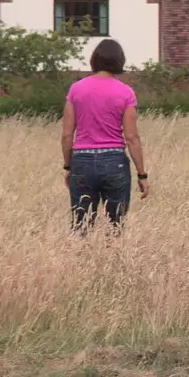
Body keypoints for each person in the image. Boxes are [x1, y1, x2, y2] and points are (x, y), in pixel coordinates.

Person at [61, 38, 148, 234]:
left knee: (81, 227)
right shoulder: (126, 92)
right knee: (115, 226)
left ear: (95, 59)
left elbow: (67, 135)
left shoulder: (76, 90)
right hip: (114, 161)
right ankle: (111, 259)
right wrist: (142, 174)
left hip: (82, 162)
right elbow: (132, 137)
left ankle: (80, 261)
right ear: (119, 61)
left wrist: (68, 166)